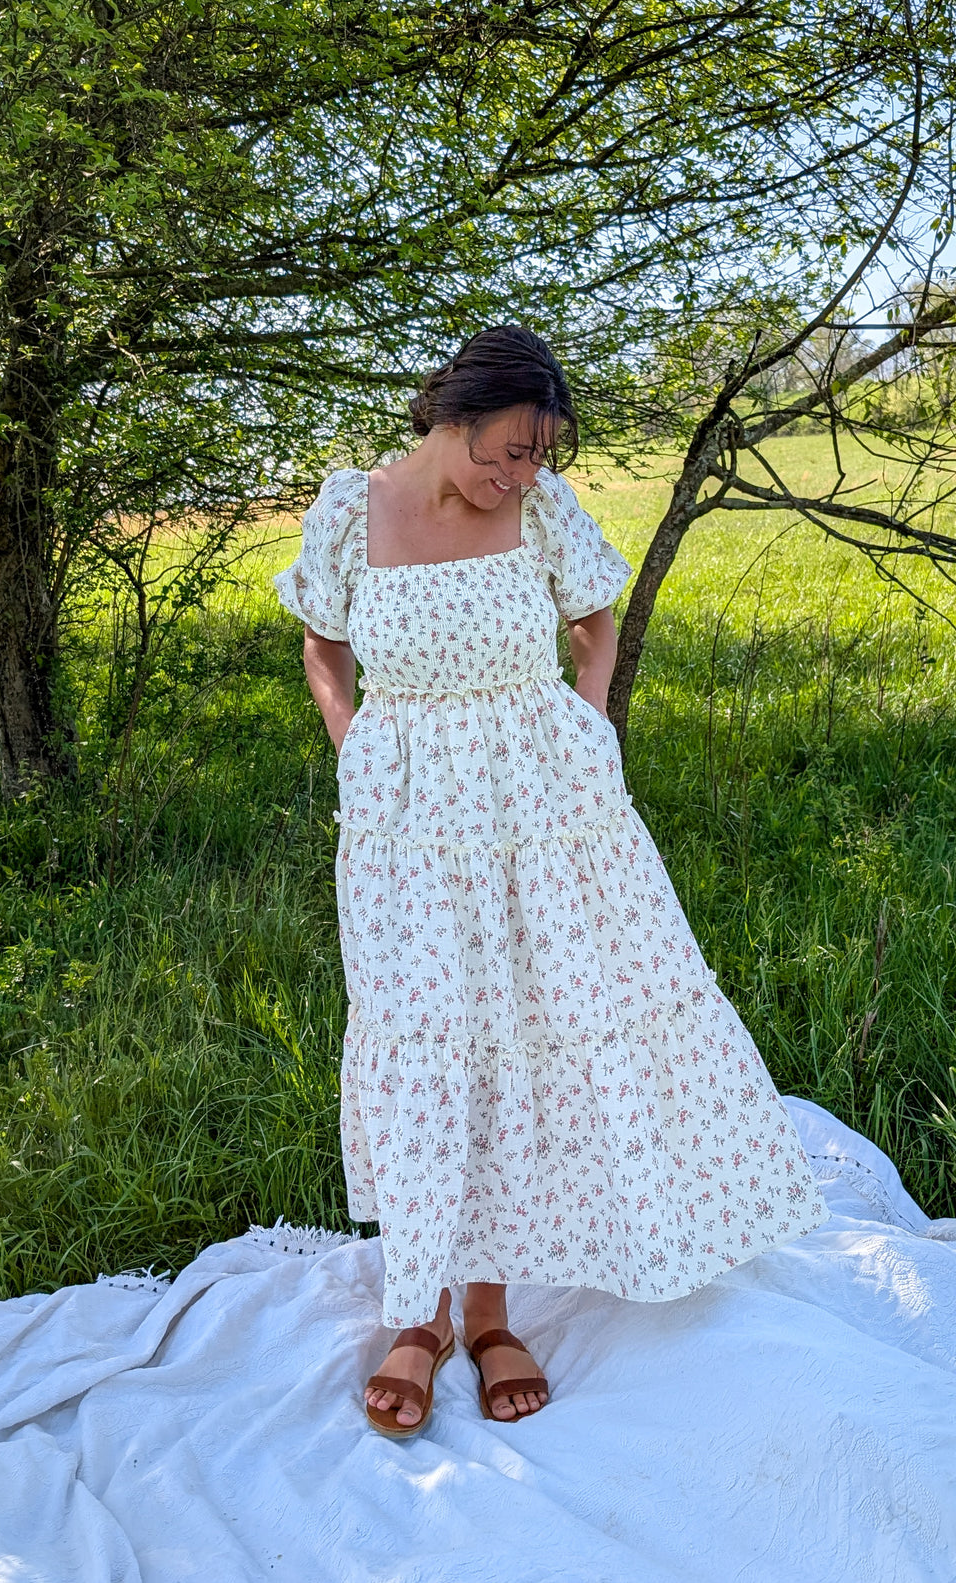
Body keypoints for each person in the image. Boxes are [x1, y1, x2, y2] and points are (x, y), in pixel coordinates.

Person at [274, 325, 828, 1439]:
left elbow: (594, 620)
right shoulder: (350, 508)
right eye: (511, 451)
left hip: (544, 807)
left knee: (528, 1024)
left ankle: (488, 1306)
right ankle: (417, 1310)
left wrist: (585, 722)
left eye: (537, 457)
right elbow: (322, 647)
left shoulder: (540, 509)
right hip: (408, 820)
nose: (521, 474)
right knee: (423, 1030)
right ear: (456, 414)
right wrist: (354, 743)